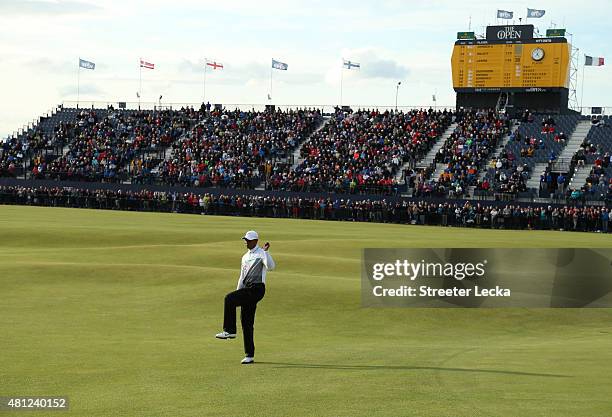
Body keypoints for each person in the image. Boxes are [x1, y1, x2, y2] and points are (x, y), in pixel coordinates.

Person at [215, 230, 276, 364]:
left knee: (228, 299)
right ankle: (249, 355)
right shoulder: (245, 257)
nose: (246, 242)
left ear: (255, 241)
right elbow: (242, 277)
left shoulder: (261, 253)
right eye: (245, 240)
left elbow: (271, 267)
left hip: (257, 288)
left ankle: (229, 330)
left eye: (248, 240)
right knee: (246, 322)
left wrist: (266, 252)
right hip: (247, 289)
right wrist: (238, 293)